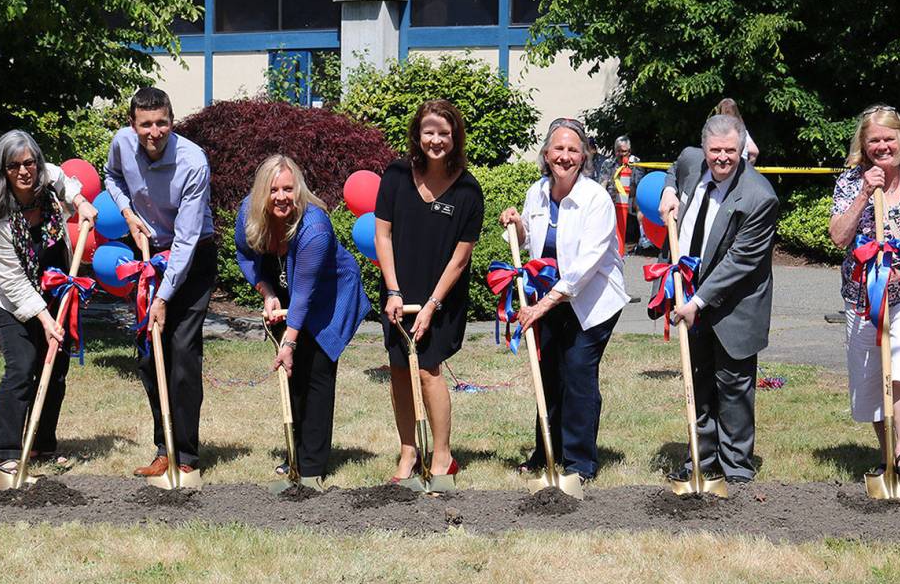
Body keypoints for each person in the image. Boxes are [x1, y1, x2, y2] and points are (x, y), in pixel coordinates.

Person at [499, 118, 629, 482]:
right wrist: (516, 223)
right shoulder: (537, 191)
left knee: (577, 373)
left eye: (573, 150)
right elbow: (529, 242)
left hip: (592, 301)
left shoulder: (596, 199)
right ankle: (545, 452)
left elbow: (585, 268)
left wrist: (540, 307)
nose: (565, 156)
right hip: (550, 298)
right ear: (546, 153)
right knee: (548, 374)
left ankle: (579, 463)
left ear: (584, 156)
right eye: (558, 148)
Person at [655, 114, 778, 483]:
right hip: (688, 293)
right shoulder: (694, 160)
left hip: (735, 305)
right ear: (705, 148)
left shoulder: (759, 197)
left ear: (742, 149)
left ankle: (737, 470)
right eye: (715, 151)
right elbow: (675, 165)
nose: (722, 158)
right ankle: (701, 458)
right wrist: (668, 189)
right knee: (698, 379)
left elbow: (739, 262)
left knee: (734, 386)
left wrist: (696, 302)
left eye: (730, 151)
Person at [828, 105, 900, 477]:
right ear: (863, 145)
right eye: (874, 140)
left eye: (888, 138)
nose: (882, 146)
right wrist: (865, 192)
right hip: (862, 297)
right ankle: (886, 456)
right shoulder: (850, 182)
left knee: (899, 360)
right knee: (869, 378)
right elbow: (838, 238)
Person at [235, 154, 370, 482]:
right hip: (286, 287)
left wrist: (289, 342)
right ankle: (293, 453)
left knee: (317, 372)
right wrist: (267, 293)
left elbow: (306, 293)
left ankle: (312, 466)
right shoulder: (248, 213)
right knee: (293, 378)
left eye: (288, 189)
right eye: (273, 190)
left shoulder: (315, 227)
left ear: (299, 190)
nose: (280, 197)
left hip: (330, 294)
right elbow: (246, 255)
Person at [104, 87, 216, 479]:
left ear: (173, 121)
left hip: (192, 257)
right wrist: (126, 212)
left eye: (162, 123)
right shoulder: (121, 143)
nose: (154, 132)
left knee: (182, 353)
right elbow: (111, 176)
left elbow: (186, 240)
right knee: (150, 356)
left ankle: (186, 456)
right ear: (133, 125)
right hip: (147, 252)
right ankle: (162, 446)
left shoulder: (192, 162)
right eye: (145, 124)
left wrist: (164, 296)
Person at [374, 99, 484, 484]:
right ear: (417, 136)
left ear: (455, 137)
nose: (436, 140)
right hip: (397, 292)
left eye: (444, 133)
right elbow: (382, 235)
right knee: (400, 371)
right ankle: (408, 451)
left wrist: (433, 305)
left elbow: (460, 259)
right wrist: (393, 290)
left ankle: (442, 456)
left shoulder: (469, 191)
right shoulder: (396, 176)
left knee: (428, 371)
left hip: (442, 295)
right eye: (429, 132)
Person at [0, 130, 98, 475]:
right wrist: (46, 322)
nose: (24, 171)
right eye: (14, 166)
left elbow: (65, 180)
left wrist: (80, 202)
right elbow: (12, 280)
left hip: (55, 285)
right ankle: (6, 450)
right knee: (23, 366)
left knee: (55, 368)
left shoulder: (47, 178)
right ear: (3, 171)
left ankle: (43, 444)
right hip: (8, 295)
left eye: (29, 162)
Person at [713, 98, 759, 164]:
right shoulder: (743, 132)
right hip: (741, 167)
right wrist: (748, 167)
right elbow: (755, 152)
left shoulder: (715, 132)